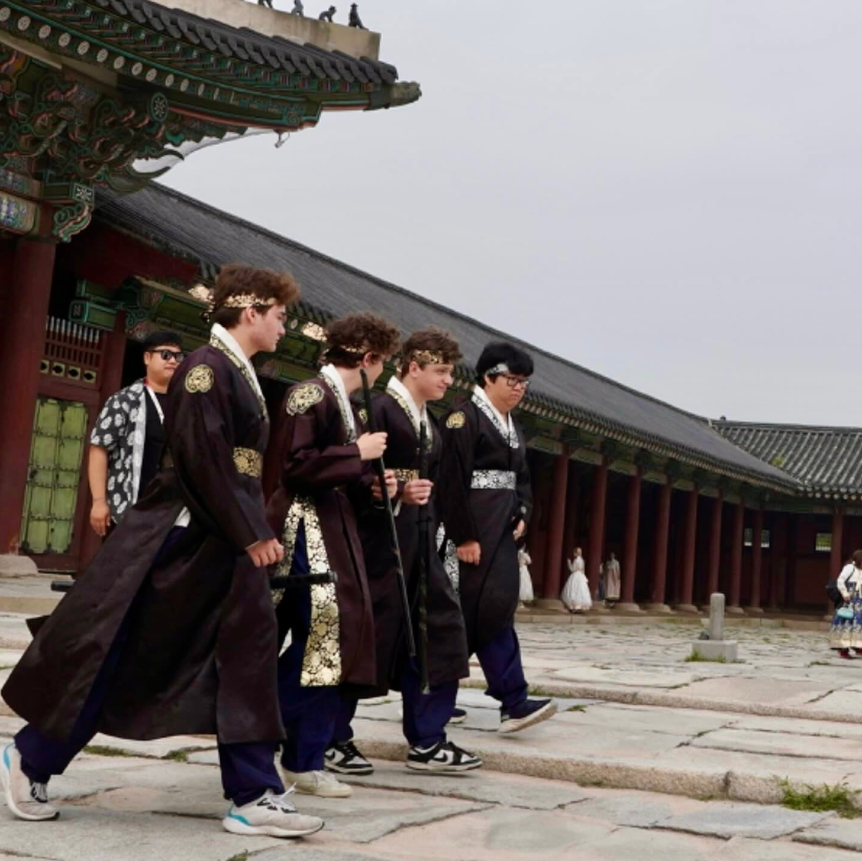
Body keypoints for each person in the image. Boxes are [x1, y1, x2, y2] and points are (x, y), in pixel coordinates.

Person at [1, 264, 324, 839]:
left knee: (241, 652)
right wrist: (251, 532)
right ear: (250, 312)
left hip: (219, 534)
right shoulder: (205, 370)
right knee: (124, 650)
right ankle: (33, 754)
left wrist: (250, 526)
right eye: (279, 316)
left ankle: (253, 792)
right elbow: (202, 460)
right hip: (188, 534)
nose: (284, 327)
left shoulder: (236, 371)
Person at [327, 328, 480, 776]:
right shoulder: (377, 409)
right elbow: (348, 470)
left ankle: (428, 738)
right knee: (366, 637)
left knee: (441, 632)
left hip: (420, 543)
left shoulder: (427, 418)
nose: (448, 380)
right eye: (441, 371)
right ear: (414, 367)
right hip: (378, 543)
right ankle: (329, 736)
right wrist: (390, 491)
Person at [266, 312, 400, 798]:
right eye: (382, 363)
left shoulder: (351, 408)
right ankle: (265, 721)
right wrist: (357, 455)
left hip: (335, 527)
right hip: (302, 527)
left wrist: (374, 486)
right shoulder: (309, 395)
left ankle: (306, 757)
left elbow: (344, 475)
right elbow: (294, 467)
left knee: (333, 640)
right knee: (323, 634)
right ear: (367, 358)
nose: (382, 372)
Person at [438, 342, 557, 734]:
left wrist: (523, 512)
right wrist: (463, 537)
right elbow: (450, 482)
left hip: (501, 533)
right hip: (470, 535)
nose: (519, 388)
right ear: (488, 377)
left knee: (495, 608)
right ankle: (504, 699)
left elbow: (522, 479)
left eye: (524, 382)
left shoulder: (511, 425)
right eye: (512, 380)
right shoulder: (462, 419)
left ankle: (502, 699)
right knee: (465, 613)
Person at [88, 330, 185, 536]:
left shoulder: (186, 404)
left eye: (178, 356)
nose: (173, 361)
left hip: (172, 512)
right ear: (147, 358)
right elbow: (99, 448)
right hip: (129, 506)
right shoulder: (124, 400)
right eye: (165, 354)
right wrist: (99, 501)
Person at [829, 549, 862, 659]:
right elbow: (840, 581)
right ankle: (843, 649)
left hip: (860, 601)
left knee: (858, 625)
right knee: (846, 624)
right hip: (849, 600)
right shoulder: (849, 568)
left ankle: (857, 646)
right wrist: (845, 593)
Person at [561, 547, 591, 612]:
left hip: (576, 575)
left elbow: (572, 569)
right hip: (581, 575)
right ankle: (580, 606)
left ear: (576, 553)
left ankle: (573, 606)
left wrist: (569, 563)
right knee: (580, 590)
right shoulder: (582, 560)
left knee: (573, 589)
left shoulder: (576, 560)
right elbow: (583, 570)